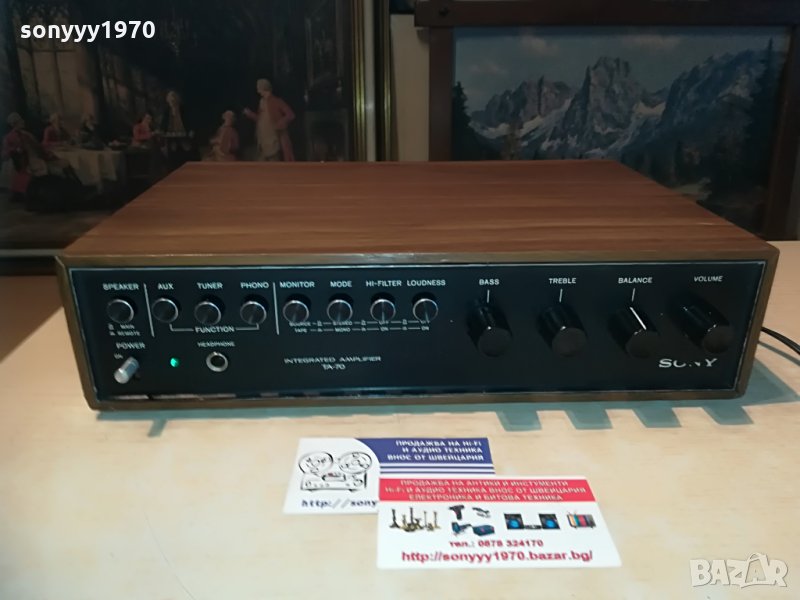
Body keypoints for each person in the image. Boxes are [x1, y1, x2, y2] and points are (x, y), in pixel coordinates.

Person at [243, 78, 295, 161]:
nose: (258, 91)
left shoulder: (276, 101)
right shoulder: (262, 102)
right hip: (263, 139)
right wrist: (250, 114)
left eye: (259, 88)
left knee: (273, 162)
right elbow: (260, 119)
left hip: (273, 138)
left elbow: (290, 115)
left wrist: (281, 122)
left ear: (264, 88)